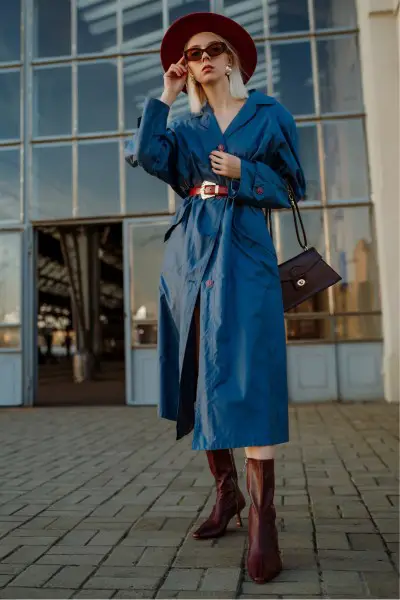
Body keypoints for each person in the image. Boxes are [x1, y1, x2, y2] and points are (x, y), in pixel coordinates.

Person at [130, 12, 305, 584]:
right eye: (192, 53)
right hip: (192, 257)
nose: (203, 56)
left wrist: (244, 171)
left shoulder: (269, 114)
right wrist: (167, 92)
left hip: (248, 256)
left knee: (252, 376)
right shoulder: (185, 129)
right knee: (201, 377)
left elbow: (293, 186)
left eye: (213, 48)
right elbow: (151, 157)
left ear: (231, 59)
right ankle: (226, 492)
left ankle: (263, 521)